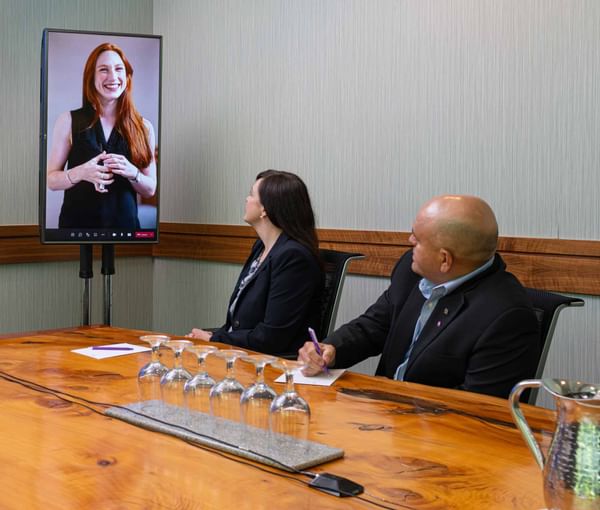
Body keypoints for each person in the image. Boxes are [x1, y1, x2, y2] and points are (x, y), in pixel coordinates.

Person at [299, 195, 540, 398]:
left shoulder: (507, 316)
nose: (410, 241)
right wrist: (331, 349)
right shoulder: (412, 271)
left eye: (418, 238)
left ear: (444, 260)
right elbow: (373, 325)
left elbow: (477, 411)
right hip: (383, 418)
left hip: (434, 438)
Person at [188, 170, 323, 356]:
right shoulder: (261, 247)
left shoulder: (293, 257)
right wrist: (212, 336)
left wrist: (213, 340)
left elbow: (271, 338)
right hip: (245, 357)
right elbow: (241, 324)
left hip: (272, 367)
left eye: (251, 194)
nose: (246, 199)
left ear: (265, 209)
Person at [47, 42, 157, 228]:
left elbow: (150, 189)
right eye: (104, 70)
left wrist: (133, 173)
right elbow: (51, 180)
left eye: (119, 69)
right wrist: (81, 172)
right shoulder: (67, 121)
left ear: (127, 76)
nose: (113, 77)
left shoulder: (144, 127)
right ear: (91, 77)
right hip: (77, 230)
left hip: (125, 231)